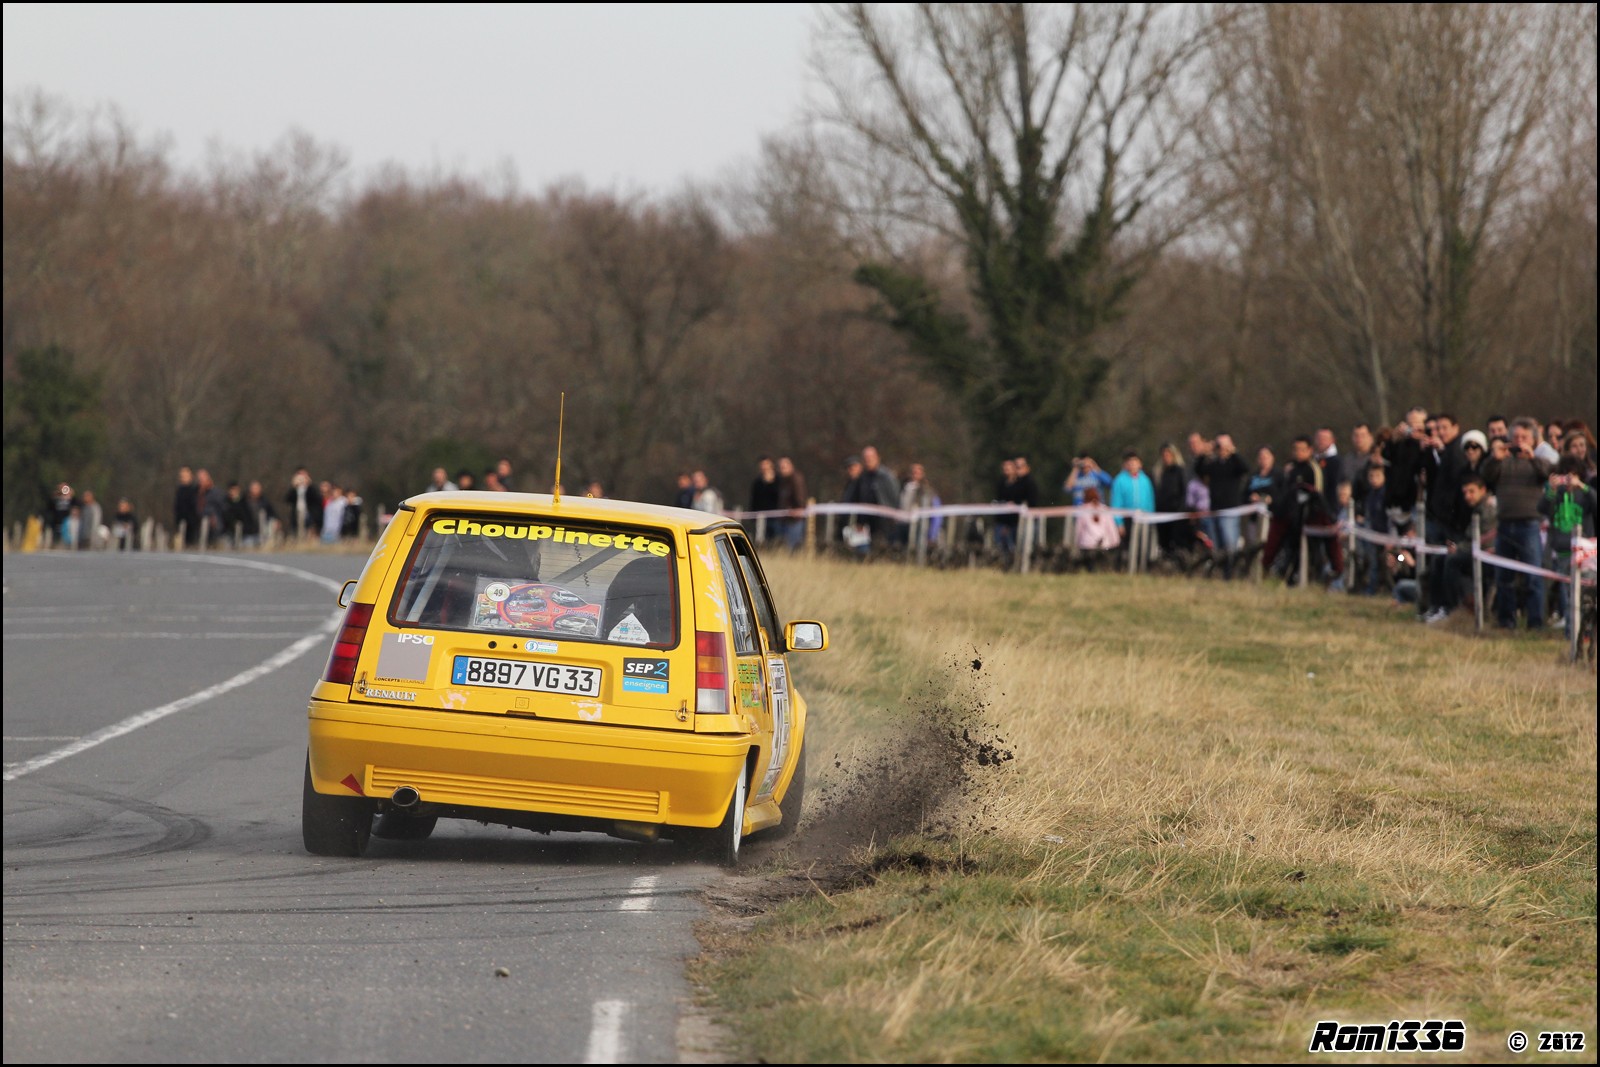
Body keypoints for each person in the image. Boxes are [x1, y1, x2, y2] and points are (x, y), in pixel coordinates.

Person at [1482, 418, 1552, 630]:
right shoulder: (1502, 462)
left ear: (1532, 440)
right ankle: (1506, 620)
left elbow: (1548, 474)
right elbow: (1486, 477)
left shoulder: (1539, 461)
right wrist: (1494, 459)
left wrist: (1532, 458)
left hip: (1529, 524)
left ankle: (1536, 622)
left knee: (1533, 576)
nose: (1519, 441)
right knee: (1504, 577)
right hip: (1504, 524)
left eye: (1524, 437)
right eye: (1516, 437)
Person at [1423, 475, 1497, 623]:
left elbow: (1482, 541)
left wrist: (1459, 548)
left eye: (1471, 491)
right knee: (1439, 560)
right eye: (1465, 493)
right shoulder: (1477, 508)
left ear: (1483, 490)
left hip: (1488, 557)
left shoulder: (1488, 509)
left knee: (1451, 561)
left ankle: (1452, 607)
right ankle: (1438, 606)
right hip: (1473, 551)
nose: (1467, 496)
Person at [1152, 443, 1189, 556]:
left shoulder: (1180, 471)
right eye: (1164, 454)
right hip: (1161, 513)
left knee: (1177, 542)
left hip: (1176, 513)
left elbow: (1184, 492)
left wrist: (1180, 510)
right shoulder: (1158, 472)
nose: (1166, 457)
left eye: (1169, 454)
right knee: (1164, 543)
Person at [1074, 486, 1121, 569]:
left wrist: (1077, 543)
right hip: (1104, 545)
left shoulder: (1082, 510)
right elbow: (1111, 528)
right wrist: (1115, 542)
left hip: (1087, 546)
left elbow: (1079, 530)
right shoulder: (1105, 509)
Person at [1109, 450, 1155, 531]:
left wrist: (1151, 518)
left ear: (1140, 463)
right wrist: (1119, 523)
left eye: (1134, 461)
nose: (1132, 464)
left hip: (1144, 519)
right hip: (1127, 520)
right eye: (1129, 461)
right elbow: (1116, 503)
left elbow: (1150, 501)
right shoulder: (1119, 480)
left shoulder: (1145, 480)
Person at [776, 456, 809, 551]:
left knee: (793, 546)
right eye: (780, 467)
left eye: (784, 467)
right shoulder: (782, 480)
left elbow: (800, 496)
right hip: (786, 519)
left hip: (795, 519)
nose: (782, 469)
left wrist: (798, 508)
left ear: (791, 466)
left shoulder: (796, 479)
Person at [285, 467, 323, 540]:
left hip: (309, 515)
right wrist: (294, 487)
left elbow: (317, 499)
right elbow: (288, 499)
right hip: (297, 516)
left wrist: (309, 485)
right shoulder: (295, 490)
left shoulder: (311, 489)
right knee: (297, 536)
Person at [748, 456, 780, 541]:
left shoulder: (779, 480)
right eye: (762, 465)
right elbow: (754, 499)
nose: (764, 467)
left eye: (766, 464)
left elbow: (779, 496)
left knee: (776, 538)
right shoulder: (757, 482)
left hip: (776, 516)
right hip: (761, 516)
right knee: (761, 539)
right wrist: (753, 515)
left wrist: (770, 483)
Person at [174, 467, 200, 546]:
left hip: (193, 523)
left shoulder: (195, 490)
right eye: (182, 476)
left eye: (185, 475)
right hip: (182, 522)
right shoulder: (179, 490)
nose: (183, 478)